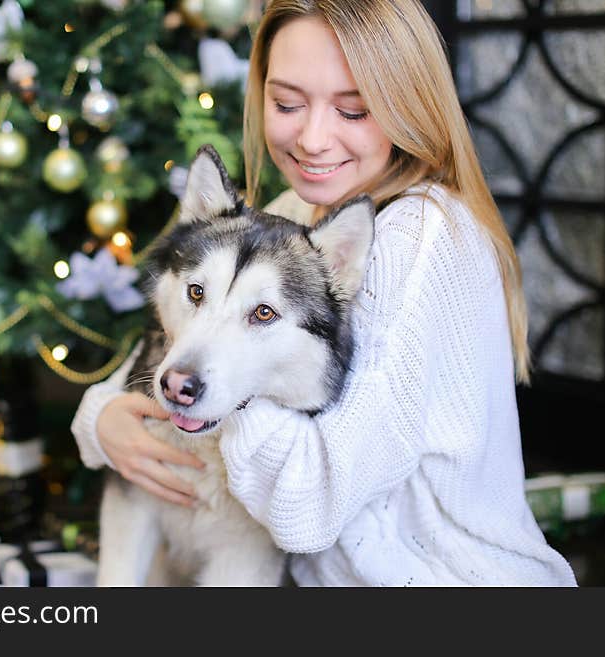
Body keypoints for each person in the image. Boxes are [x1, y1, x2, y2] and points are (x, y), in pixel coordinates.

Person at [71, 0, 577, 586]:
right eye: (286, 103)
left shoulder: (421, 237)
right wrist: (104, 419)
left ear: (407, 107)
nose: (312, 138)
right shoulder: (296, 215)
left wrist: (222, 383)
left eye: (354, 110)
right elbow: (165, 357)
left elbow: (307, 509)